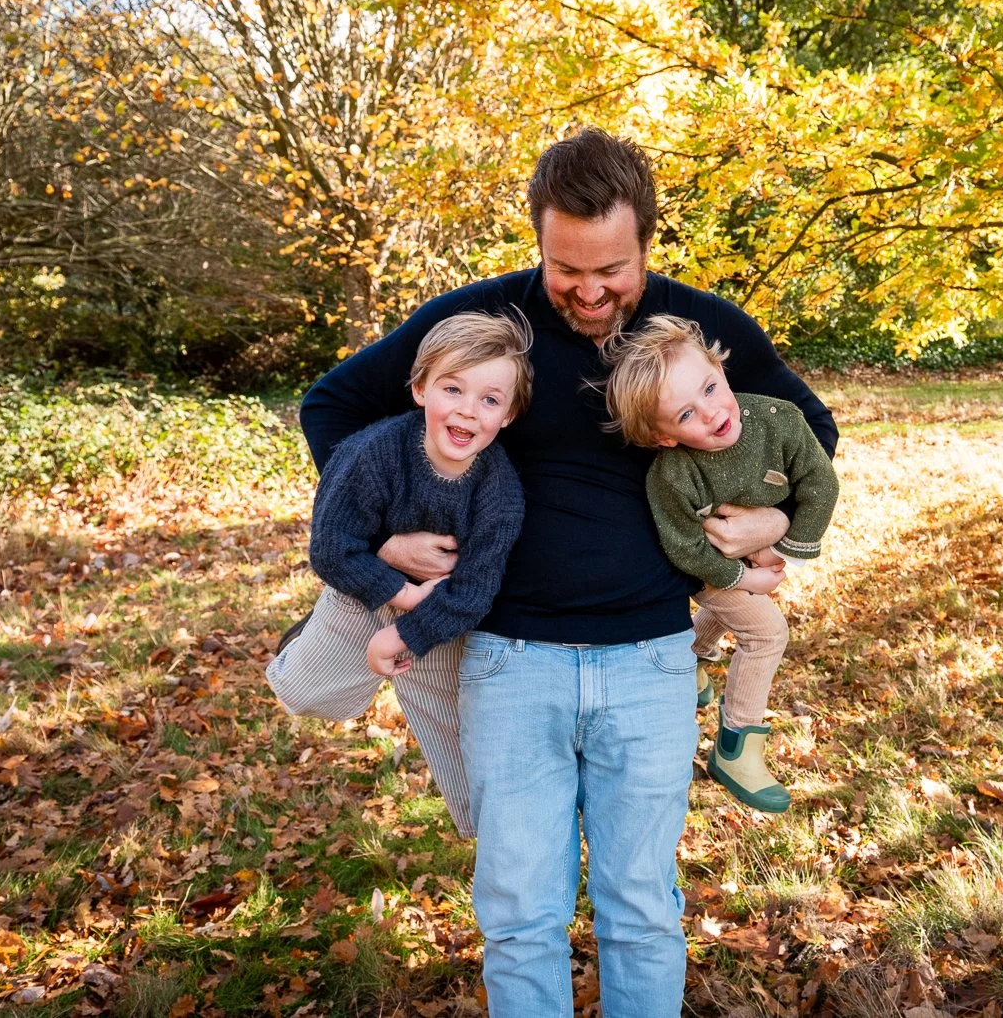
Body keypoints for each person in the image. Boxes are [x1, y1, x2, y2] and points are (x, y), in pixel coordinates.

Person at [296, 128, 836, 1017]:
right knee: (518, 913)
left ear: (647, 247)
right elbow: (335, 406)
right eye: (565, 269)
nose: (589, 292)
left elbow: (809, 431)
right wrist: (381, 536)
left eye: (611, 270)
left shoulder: (699, 334)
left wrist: (775, 518)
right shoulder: (483, 323)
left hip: (653, 661)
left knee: (640, 909)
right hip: (510, 662)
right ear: (539, 243)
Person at [265, 311, 532, 839]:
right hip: (366, 576)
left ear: (509, 415)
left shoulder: (499, 490)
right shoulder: (371, 454)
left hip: (445, 608)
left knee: (455, 720)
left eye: (489, 399)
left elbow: (476, 590)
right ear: (419, 389)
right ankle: (309, 639)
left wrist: (410, 631)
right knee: (304, 693)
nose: (467, 410)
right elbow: (331, 548)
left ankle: (489, 832)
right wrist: (404, 596)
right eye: (452, 388)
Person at [602, 315, 839, 814]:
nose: (711, 413)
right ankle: (736, 747)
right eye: (685, 415)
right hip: (709, 569)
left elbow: (821, 482)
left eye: (710, 388)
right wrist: (743, 575)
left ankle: (691, 660)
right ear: (663, 437)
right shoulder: (673, 474)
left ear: (720, 368)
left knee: (746, 613)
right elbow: (685, 548)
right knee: (767, 632)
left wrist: (786, 545)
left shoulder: (780, 420)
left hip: (760, 547)